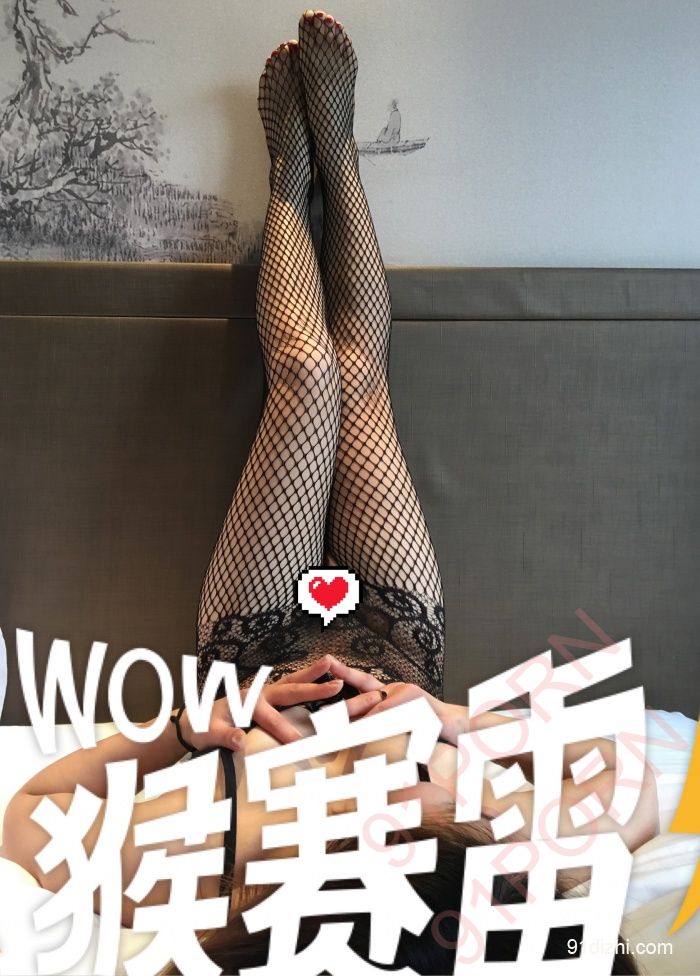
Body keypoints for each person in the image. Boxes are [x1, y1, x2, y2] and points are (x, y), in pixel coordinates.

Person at [0, 10, 651, 973]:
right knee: (356, 374)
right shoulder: (507, 864)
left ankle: (287, 180)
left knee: (309, 377)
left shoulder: (227, 872)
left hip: (257, 652)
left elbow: (29, 816)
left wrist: (186, 732)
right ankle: (338, 157)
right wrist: (447, 730)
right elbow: (629, 773)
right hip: (395, 649)